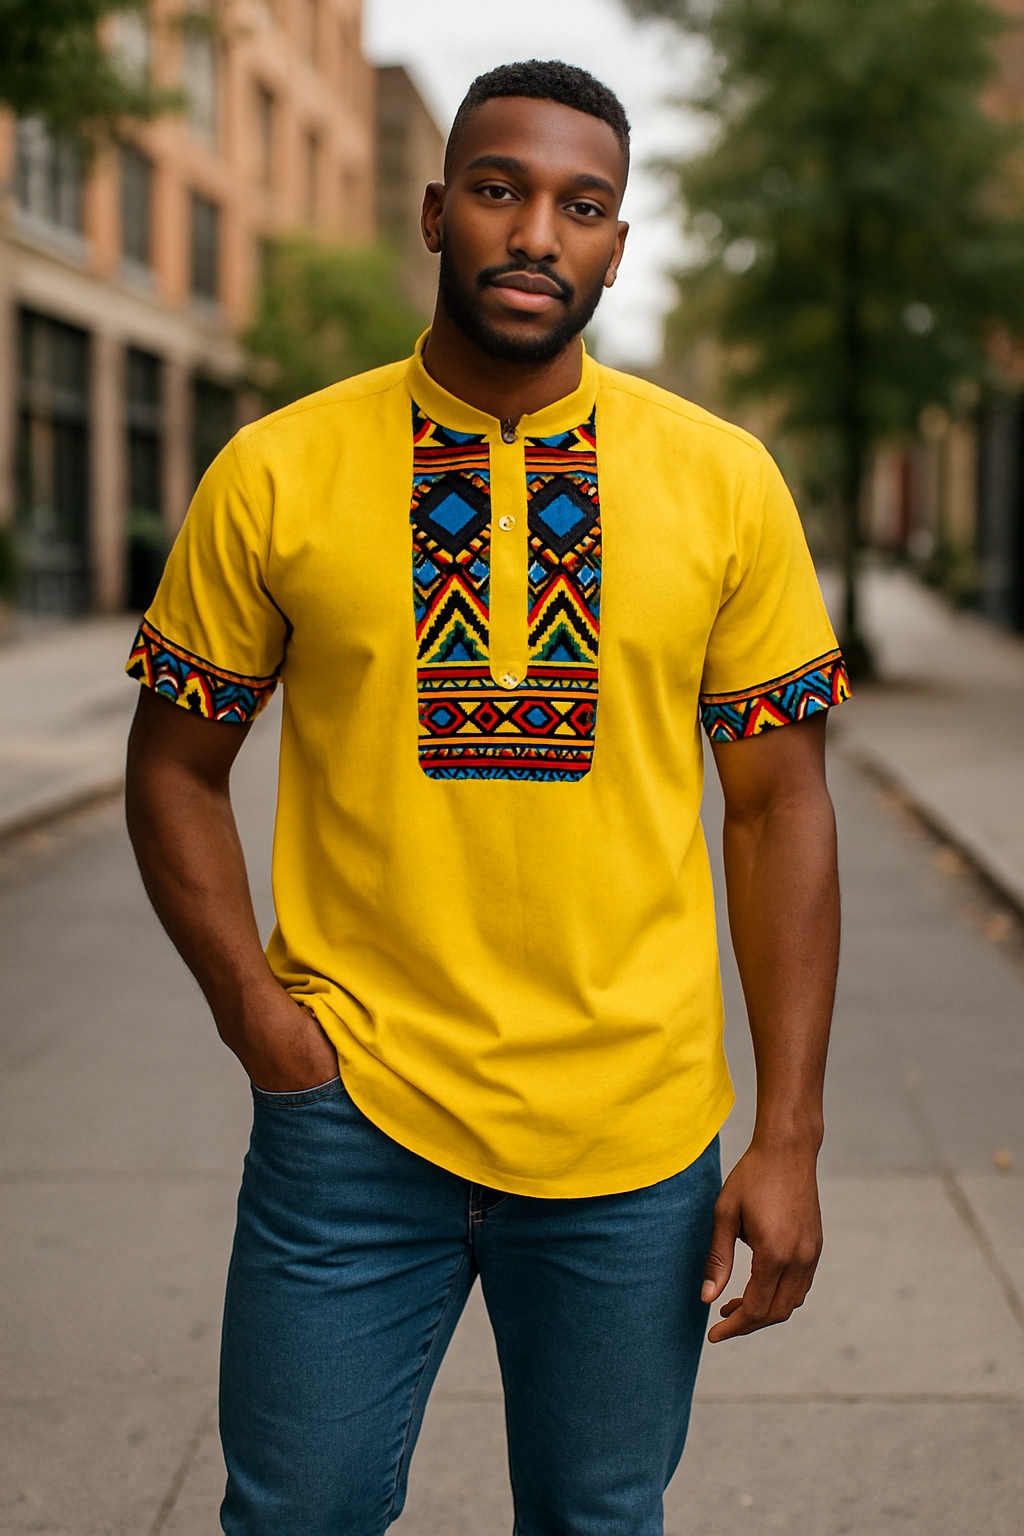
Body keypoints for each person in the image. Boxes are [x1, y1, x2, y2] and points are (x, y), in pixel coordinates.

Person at [125, 59, 847, 1536]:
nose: (539, 234)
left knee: (596, 1522)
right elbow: (172, 767)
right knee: (294, 1516)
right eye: (502, 191)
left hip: (632, 1142)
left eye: (583, 207)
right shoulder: (277, 470)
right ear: (435, 210)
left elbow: (779, 813)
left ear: (617, 247)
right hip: (353, 1121)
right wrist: (255, 1017)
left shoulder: (724, 482)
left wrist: (790, 1138)